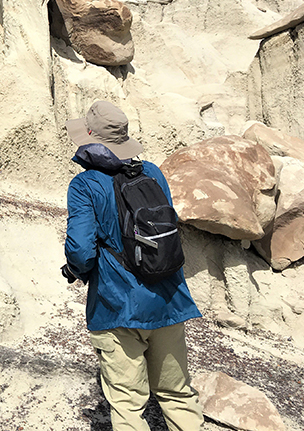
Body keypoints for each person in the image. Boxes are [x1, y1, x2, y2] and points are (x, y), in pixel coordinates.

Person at [61, 100, 204, 431]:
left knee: (128, 406)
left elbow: (81, 251)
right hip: (169, 300)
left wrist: (76, 271)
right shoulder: (152, 172)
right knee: (178, 394)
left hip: (119, 305)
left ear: (90, 137)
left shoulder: (84, 185)